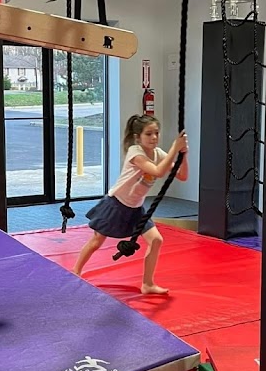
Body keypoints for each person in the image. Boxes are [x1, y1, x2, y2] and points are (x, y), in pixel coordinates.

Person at [73, 114, 189, 295]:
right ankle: (75, 271)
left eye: (156, 133)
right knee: (96, 241)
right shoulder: (135, 152)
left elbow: (182, 176)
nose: (154, 137)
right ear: (138, 137)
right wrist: (175, 147)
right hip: (116, 204)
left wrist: (183, 155)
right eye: (148, 134)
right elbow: (158, 172)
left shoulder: (158, 154)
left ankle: (147, 284)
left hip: (136, 208)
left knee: (156, 240)